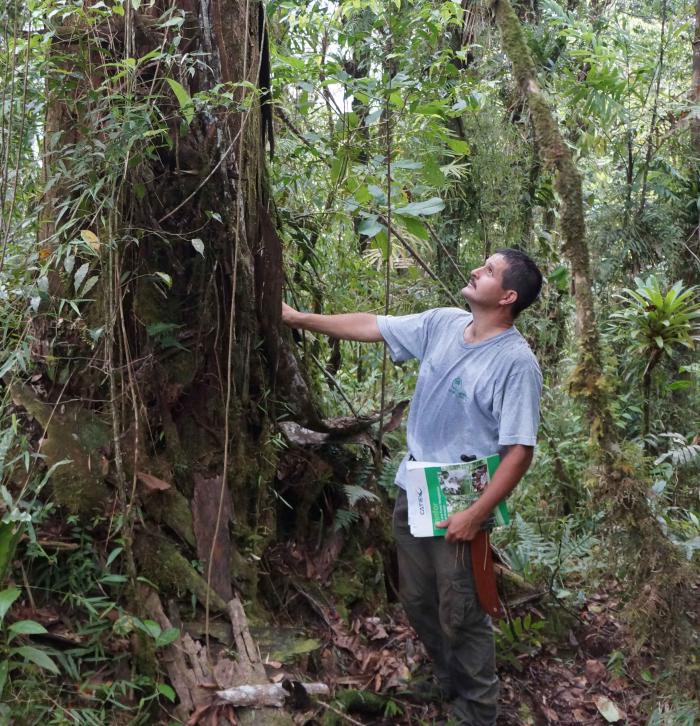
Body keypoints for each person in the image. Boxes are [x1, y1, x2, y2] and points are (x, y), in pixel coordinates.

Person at [281, 248, 543, 725]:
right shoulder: (443, 323)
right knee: (417, 597)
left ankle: (477, 711)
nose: (475, 270)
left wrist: (476, 513)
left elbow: (520, 451)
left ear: (507, 296)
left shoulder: (516, 362)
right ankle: (447, 680)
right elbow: (372, 325)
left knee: (461, 609)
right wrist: (298, 318)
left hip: (462, 497)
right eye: (480, 263)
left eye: (487, 271)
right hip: (416, 485)